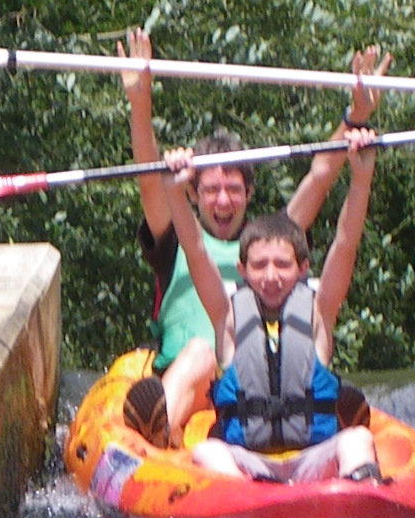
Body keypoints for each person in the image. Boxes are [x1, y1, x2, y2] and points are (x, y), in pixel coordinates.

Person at [120, 29, 380, 445]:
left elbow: (320, 177)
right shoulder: (176, 240)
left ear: (249, 194)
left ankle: (318, 422)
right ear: (193, 193)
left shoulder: (266, 247)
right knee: (202, 354)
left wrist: (356, 117)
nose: (223, 200)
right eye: (210, 190)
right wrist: (140, 101)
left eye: (234, 189)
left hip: (253, 381)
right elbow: (152, 180)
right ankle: (159, 428)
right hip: (188, 375)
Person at [161, 128, 384, 484]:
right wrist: (175, 187)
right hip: (247, 464)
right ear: (243, 270)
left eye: (282, 265)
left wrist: (361, 177)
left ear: (302, 269)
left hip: (311, 460)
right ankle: (244, 503)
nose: (271, 276)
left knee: (358, 438)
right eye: (260, 265)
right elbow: (194, 248)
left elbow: (345, 242)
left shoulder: (318, 313)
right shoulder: (228, 315)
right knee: (206, 450)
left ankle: (359, 496)